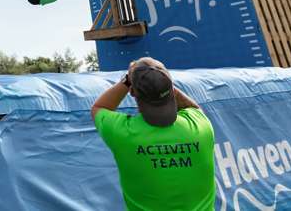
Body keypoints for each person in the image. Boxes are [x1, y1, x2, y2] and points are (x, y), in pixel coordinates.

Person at [92, 57, 215, 211]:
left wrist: (128, 81)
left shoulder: (123, 133)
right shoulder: (200, 125)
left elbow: (99, 107)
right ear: (171, 88)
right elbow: (195, 109)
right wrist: (162, 82)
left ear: (132, 92)